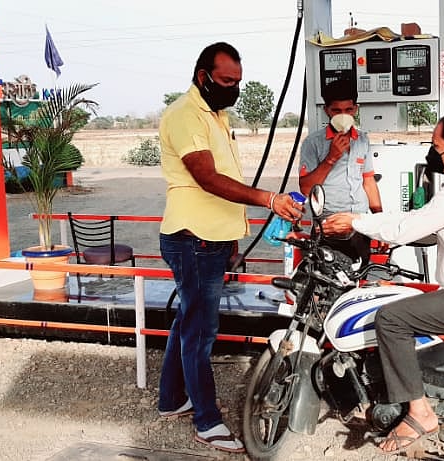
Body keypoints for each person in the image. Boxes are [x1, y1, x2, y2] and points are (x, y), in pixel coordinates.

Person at [321, 111, 444, 453]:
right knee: (400, 297)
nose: (431, 151)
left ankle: (419, 411)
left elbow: (406, 228)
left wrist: (356, 221)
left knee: (391, 319)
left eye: (435, 145)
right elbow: (419, 223)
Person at [156, 42, 303, 454]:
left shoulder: (216, 115)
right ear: (202, 75)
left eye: (237, 82)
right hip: (193, 239)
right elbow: (205, 177)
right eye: (225, 81)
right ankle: (207, 421)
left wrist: (233, 235)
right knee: (200, 332)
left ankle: (171, 400)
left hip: (211, 238)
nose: (232, 89)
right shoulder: (186, 115)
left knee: (188, 320)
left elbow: (225, 181)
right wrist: (268, 200)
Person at [298, 79, 383, 263]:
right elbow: (306, 188)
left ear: (356, 109)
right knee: (327, 284)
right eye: (336, 111)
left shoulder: (362, 140)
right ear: (326, 110)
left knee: (358, 282)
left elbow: (368, 181)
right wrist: (331, 157)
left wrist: (380, 221)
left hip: (359, 223)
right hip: (329, 225)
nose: (343, 115)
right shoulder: (313, 143)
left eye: (348, 110)